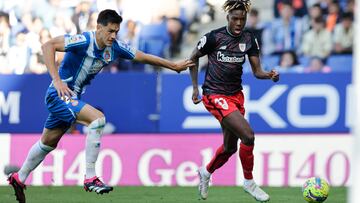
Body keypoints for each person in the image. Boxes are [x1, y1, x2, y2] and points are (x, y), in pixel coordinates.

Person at [7, 9, 194, 203]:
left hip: (72, 97)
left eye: (116, 31)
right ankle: (90, 177)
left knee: (48, 143)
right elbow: (48, 45)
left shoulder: (114, 47)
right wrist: (56, 80)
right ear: (98, 28)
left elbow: (143, 56)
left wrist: (173, 66)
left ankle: (19, 178)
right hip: (58, 94)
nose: (113, 36)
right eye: (110, 31)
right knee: (97, 119)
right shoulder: (83, 40)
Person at [188, 0, 279, 202]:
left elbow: (257, 72)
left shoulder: (249, 39)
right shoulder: (214, 37)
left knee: (230, 148)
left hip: (236, 96)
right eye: (235, 18)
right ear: (228, 18)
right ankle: (249, 182)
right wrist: (195, 87)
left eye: (242, 19)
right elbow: (192, 58)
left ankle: (205, 172)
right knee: (248, 135)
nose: (239, 22)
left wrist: (269, 75)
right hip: (214, 94)